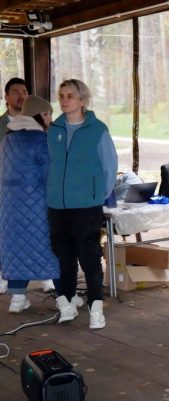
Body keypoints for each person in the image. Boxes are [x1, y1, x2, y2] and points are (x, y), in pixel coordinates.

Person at [47, 79, 117, 330]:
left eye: (71, 96)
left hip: (86, 206)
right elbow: (49, 166)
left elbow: (109, 167)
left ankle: (96, 306)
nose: (65, 100)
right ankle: (65, 302)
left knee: (89, 258)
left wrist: (96, 195)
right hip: (57, 206)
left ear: (83, 100)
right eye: (62, 95)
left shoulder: (98, 130)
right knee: (62, 258)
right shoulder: (53, 130)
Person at [0, 95, 64, 313]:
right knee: (49, 249)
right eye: (48, 114)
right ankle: (63, 297)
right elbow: (51, 176)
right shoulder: (41, 140)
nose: (50, 119)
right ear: (40, 115)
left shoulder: (8, 139)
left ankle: (17, 299)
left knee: (17, 249)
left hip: (9, 207)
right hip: (37, 205)